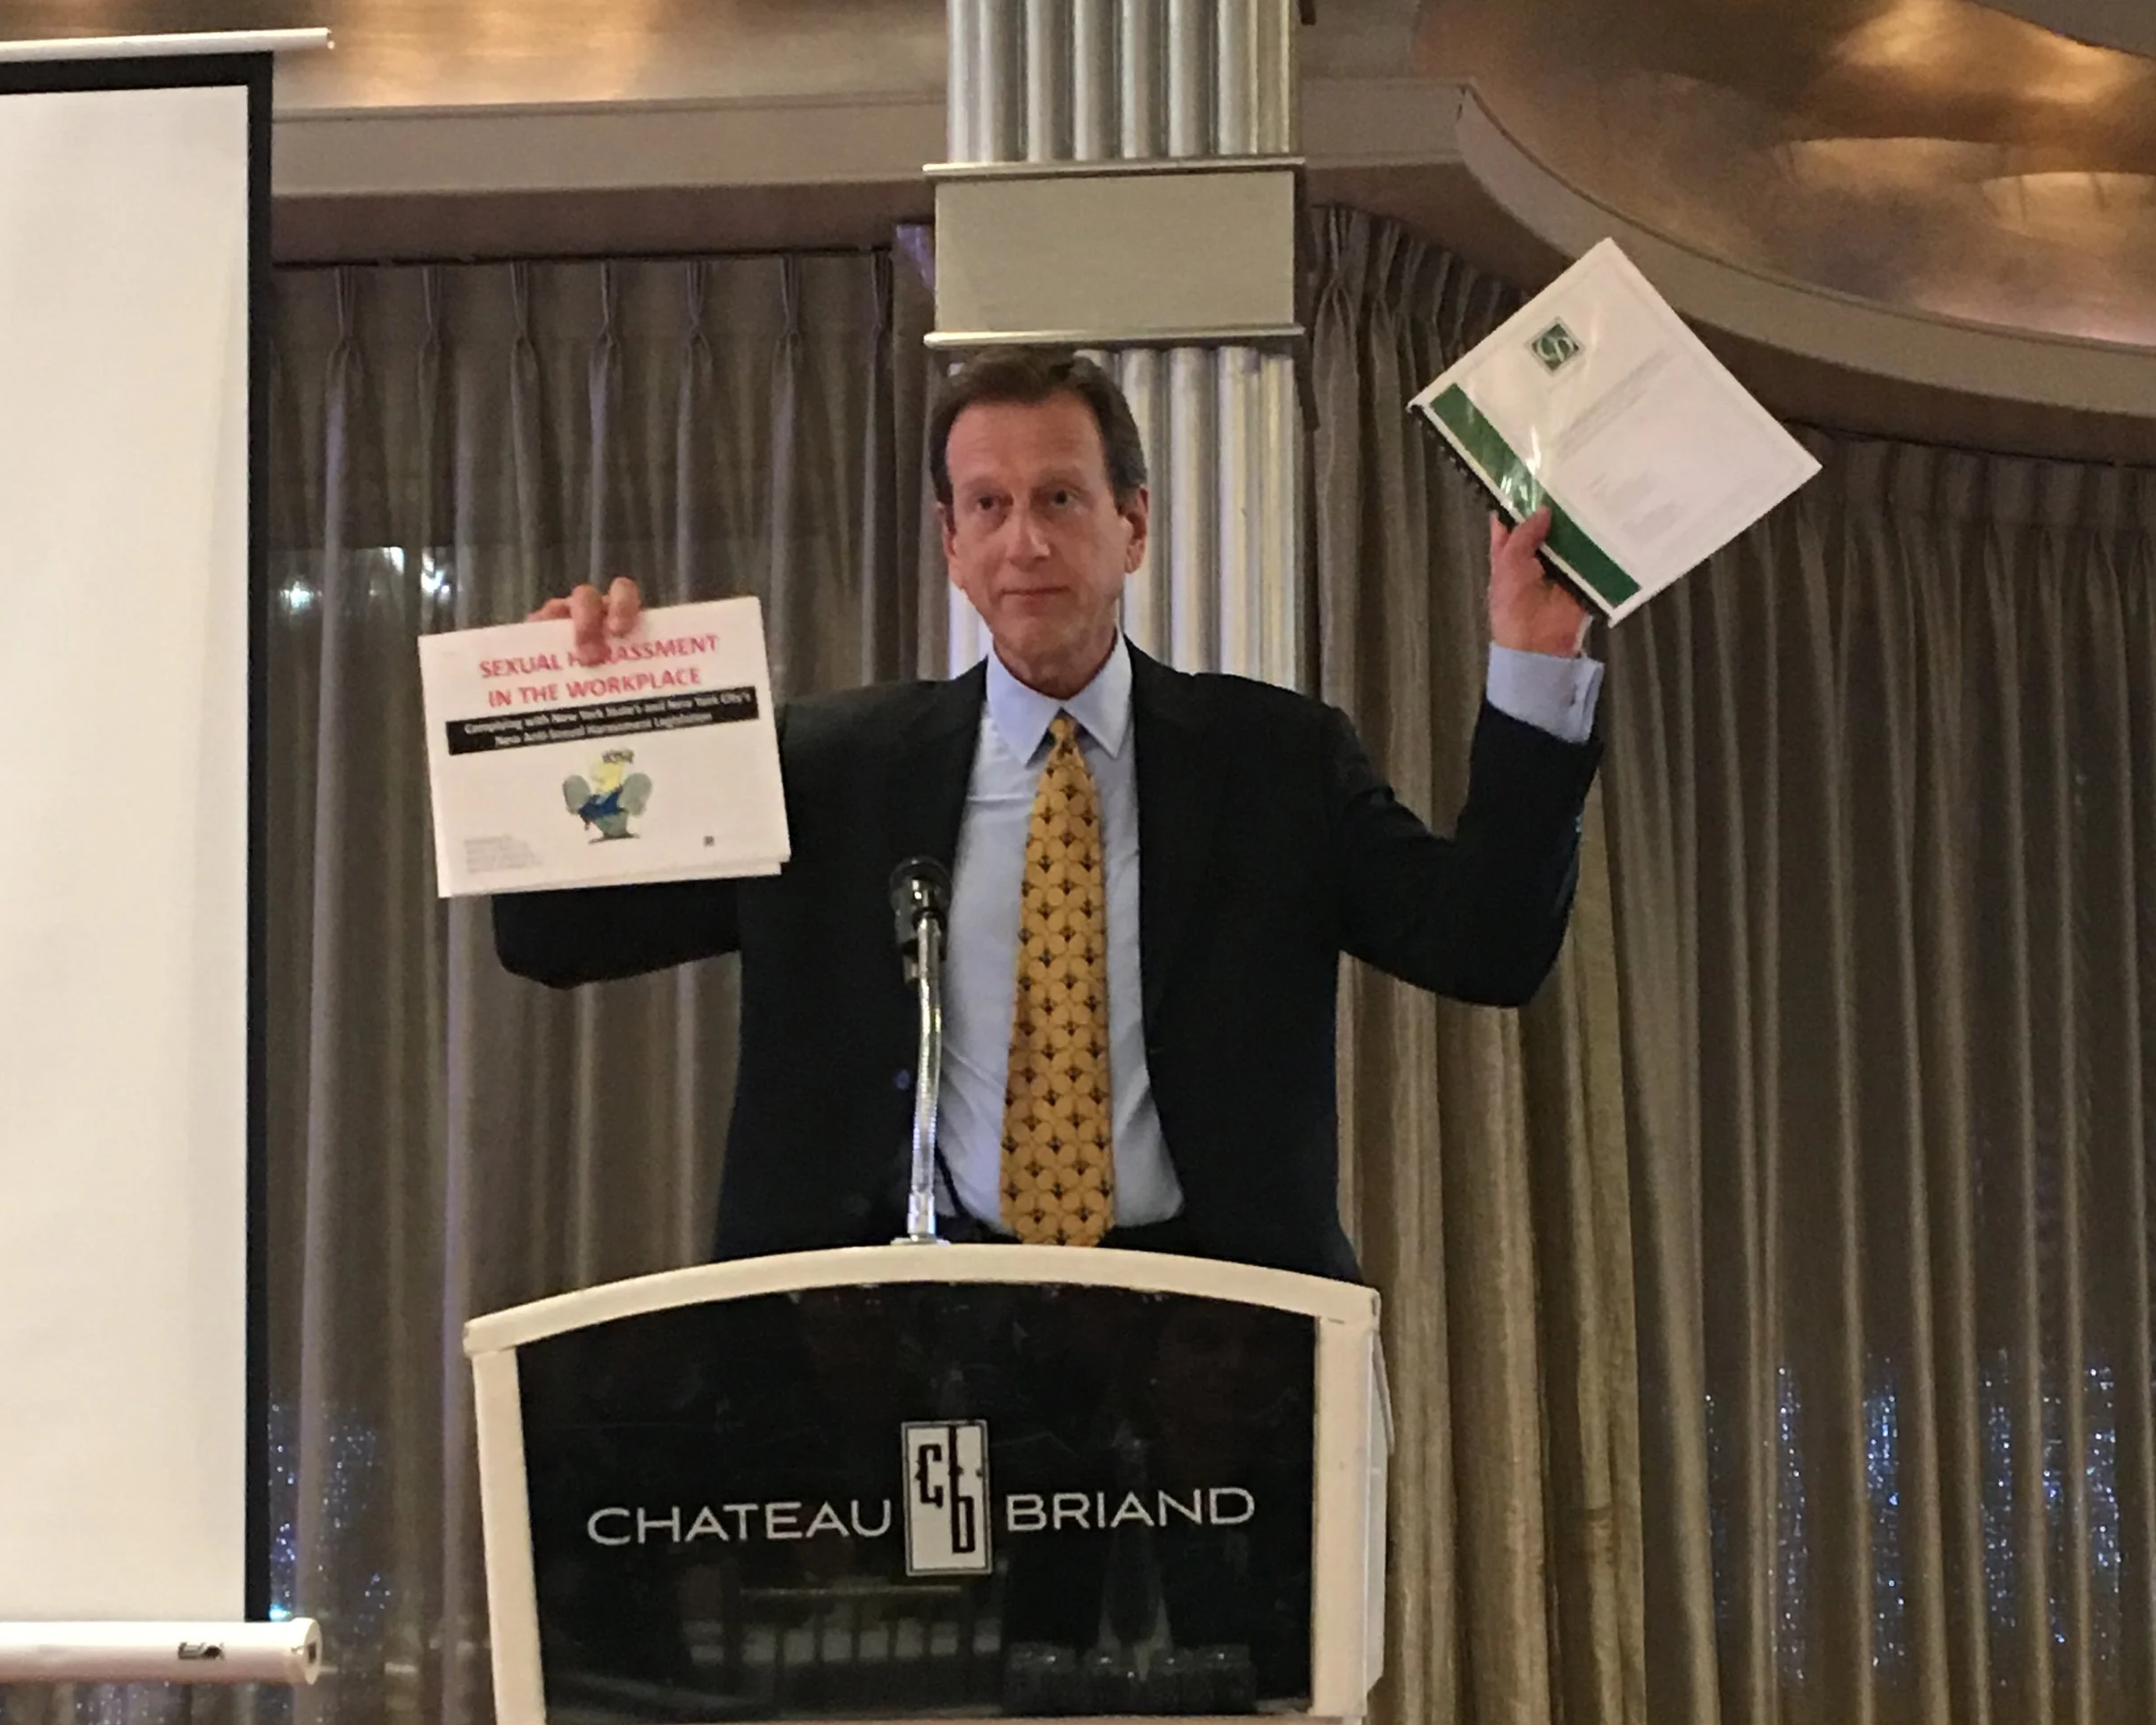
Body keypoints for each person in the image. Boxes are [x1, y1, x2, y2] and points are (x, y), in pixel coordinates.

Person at [492, 346, 1602, 1281]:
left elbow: (1486, 945)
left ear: (1132, 524)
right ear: (952, 544)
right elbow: (556, 937)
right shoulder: (826, 772)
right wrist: (567, 726)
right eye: (989, 505)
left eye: (1060, 498)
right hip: (903, 1335)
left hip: (1211, 1342)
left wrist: (1534, 665)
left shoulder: (1275, 763)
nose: (1023, 541)